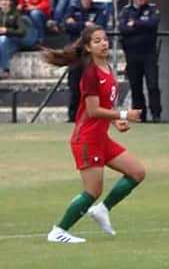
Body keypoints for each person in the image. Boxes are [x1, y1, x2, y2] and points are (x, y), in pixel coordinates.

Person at [44, 26, 146, 244]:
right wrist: (124, 113)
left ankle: (102, 210)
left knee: (137, 172)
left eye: (105, 39)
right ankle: (59, 230)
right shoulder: (90, 73)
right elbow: (92, 110)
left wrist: (115, 121)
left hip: (101, 137)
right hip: (87, 139)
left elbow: (104, 106)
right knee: (92, 190)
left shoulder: (108, 67)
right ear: (88, 47)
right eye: (97, 41)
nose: (104, 43)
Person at [63, 0, 108, 121]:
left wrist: (78, 25)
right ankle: (73, 117)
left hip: (92, 55)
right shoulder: (72, 9)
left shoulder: (99, 9)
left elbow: (99, 28)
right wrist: (84, 24)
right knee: (75, 85)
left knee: (93, 87)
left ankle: (94, 116)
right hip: (76, 53)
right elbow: (67, 26)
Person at [117, 0, 161, 123]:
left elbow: (153, 24)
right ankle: (140, 116)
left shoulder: (152, 9)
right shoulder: (125, 10)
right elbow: (123, 29)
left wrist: (135, 23)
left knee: (152, 85)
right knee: (136, 87)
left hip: (149, 54)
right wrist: (142, 25)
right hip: (132, 54)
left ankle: (156, 115)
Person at [0, 0, 25, 78]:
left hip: (14, 41)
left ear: (10, 2)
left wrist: (7, 30)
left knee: (3, 40)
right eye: (1, 0)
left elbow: (22, 32)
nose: (4, 2)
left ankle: (5, 70)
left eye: (6, 0)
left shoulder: (16, 13)